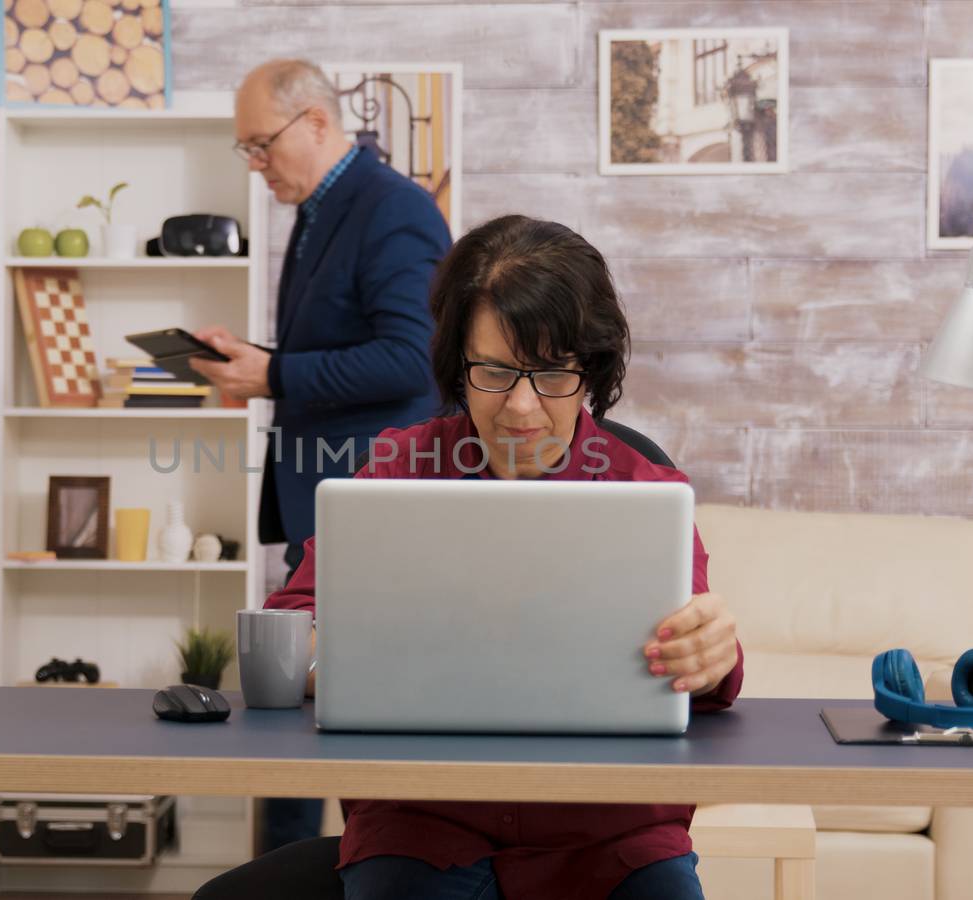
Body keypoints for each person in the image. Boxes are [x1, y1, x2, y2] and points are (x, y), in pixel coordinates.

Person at [194, 215, 743, 900]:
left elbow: (704, 659)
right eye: (493, 371)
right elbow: (291, 624)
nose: (519, 407)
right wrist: (325, 654)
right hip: (422, 824)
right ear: (459, 363)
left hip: (610, 837)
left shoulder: (647, 491)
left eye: (549, 373)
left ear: (590, 369)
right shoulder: (399, 470)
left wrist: (713, 653)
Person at [191, 58, 451, 853]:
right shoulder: (323, 209)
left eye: (261, 144)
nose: (256, 163)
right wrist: (257, 364)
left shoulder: (394, 210)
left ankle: (372, 866)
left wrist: (273, 373)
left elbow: (415, 359)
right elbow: (346, 348)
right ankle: (294, 868)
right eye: (246, 150)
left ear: (316, 122)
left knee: (332, 716)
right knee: (291, 707)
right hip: (328, 502)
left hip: (369, 510)